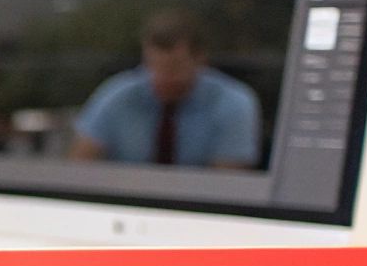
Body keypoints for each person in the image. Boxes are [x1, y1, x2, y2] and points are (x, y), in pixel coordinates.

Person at [70, 9, 261, 168]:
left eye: (174, 68)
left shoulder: (233, 102)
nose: (161, 77)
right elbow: (79, 167)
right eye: (152, 66)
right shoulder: (117, 95)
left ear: (200, 60)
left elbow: (228, 185)